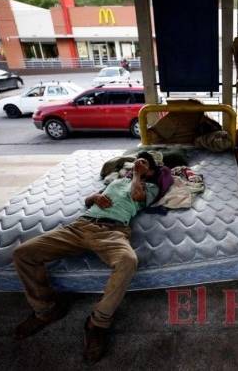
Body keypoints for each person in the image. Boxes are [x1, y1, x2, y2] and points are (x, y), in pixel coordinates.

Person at [12, 151, 160, 363]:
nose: (137, 162)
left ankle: (98, 323)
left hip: (113, 232)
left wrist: (137, 174)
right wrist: (95, 197)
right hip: (81, 226)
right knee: (23, 253)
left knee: (128, 261)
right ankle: (46, 310)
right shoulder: (118, 181)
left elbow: (137, 196)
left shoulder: (150, 186)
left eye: (144, 162)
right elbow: (89, 199)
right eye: (137, 160)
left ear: (151, 170)